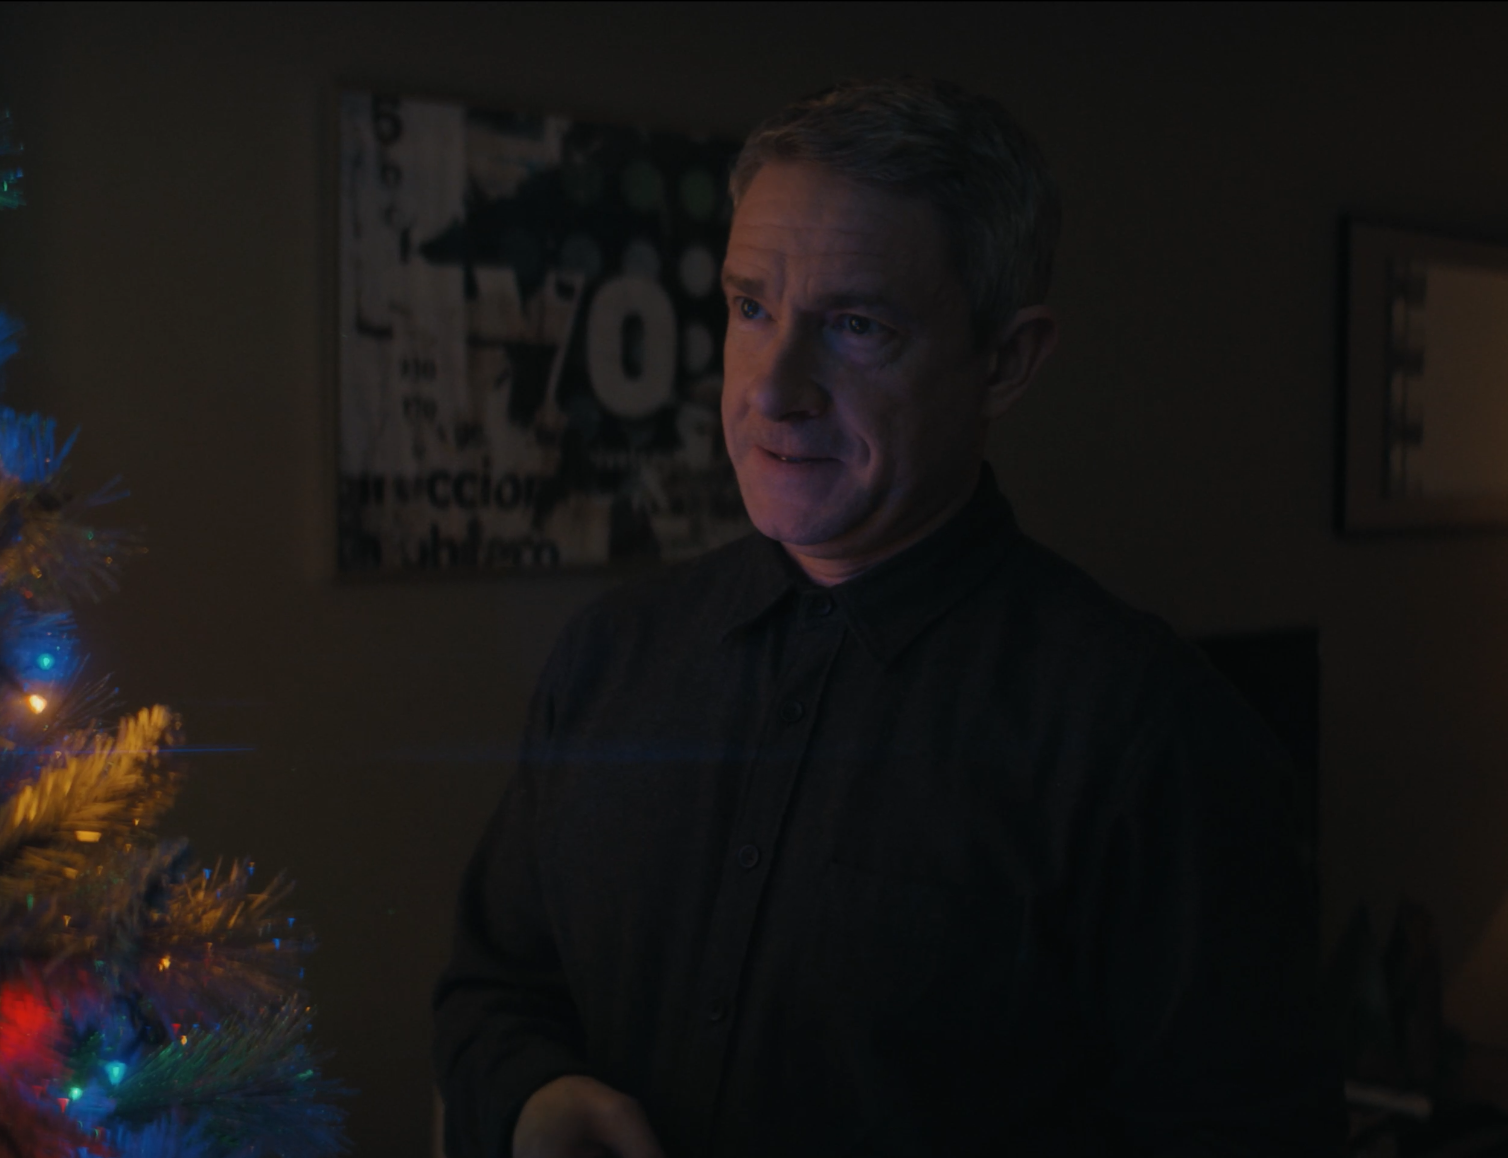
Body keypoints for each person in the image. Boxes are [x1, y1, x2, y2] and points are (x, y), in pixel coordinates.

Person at [433, 76, 1341, 1157]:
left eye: (855, 326)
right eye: (751, 308)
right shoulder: (610, 656)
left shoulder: (1152, 741)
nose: (774, 390)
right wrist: (534, 1098)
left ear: (1005, 361)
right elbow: (493, 991)